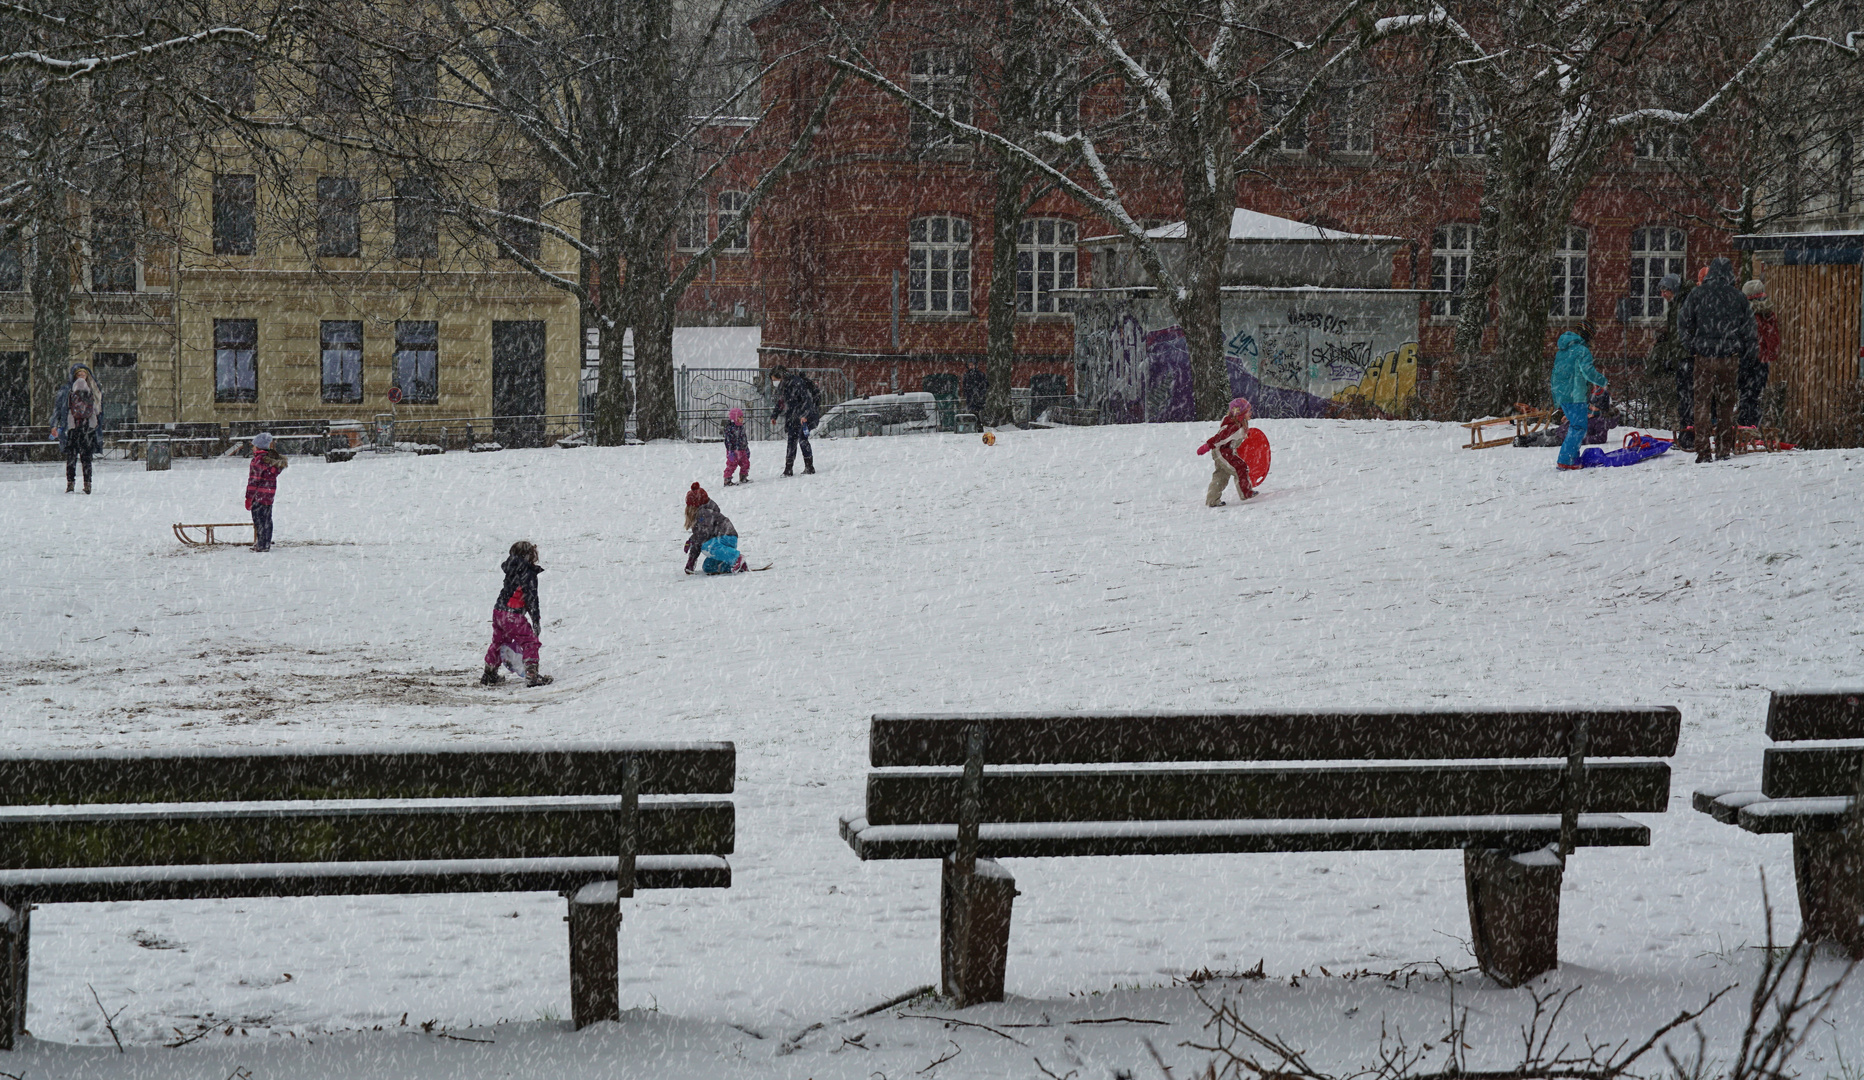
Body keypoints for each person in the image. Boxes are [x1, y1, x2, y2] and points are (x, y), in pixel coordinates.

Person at [1676, 257, 1757, 462]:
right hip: (1729, 357)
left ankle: (1703, 450)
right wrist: (1745, 353)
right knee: (1726, 405)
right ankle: (1722, 449)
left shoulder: (1697, 294)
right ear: (1730, 274)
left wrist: (1692, 345)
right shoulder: (1738, 297)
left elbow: (1683, 323)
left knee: (1701, 403)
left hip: (1703, 356)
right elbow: (1749, 330)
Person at [482, 540, 551, 686]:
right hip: (513, 615)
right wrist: (536, 620)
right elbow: (531, 598)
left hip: (498, 611)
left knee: (498, 642)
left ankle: (489, 674)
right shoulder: (528, 572)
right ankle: (532, 676)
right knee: (530, 642)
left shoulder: (511, 568)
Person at [1644, 272, 1693, 450]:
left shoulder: (1683, 303)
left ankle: (1688, 435)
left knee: (1686, 397)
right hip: (1680, 355)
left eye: (1665, 290)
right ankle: (1686, 434)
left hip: (1686, 356)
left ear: (1674, 289)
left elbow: (1684, 329)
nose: (1662, 295)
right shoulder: (1678, 303)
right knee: (1684, 397)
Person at [1551, 322, 1607, 471]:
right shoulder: (1581, 351)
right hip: (1575, 396)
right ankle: (1566, 460)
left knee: (1575, 427)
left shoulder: (1562, 351)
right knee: (1579, 428)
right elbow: (1588, 371)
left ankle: (1573, 457)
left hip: (1563, 395)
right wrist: (1602, 381)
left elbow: (1556, 375)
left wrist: (1558, 396)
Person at [50, 364, 104, 494]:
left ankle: (76, 483)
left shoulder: (69, 390)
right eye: (79, 375)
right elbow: (98, 411)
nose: (81, 377)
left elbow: (58, 409)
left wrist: (55, 424)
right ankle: (82, 483)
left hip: (74, 428)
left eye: (83, 375)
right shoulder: (92, 389)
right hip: (85, 428)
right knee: (81, 458)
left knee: (75, 457)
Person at [1196, 396, 1255, 505]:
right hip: (1222, 451)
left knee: (1221, 476)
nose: (1251, 412)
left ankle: (1212, 500)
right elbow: (1219, 439)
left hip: (1226, 450)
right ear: (1240, 414)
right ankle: (1246, 493)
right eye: (1248, 411)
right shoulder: (1233, 428)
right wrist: (1206, 446)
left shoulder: (1239, 424)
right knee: (1240, 467)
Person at [684, 482, 748, 574]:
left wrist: (692, 540)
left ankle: (737, 558)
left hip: (726, 537)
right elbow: (698, 538)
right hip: (720, 542)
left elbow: (703, 535)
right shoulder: (700, 515)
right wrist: (691, 561)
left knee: (706, 546)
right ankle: (734, 565)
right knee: (708, 566)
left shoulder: (704, 513)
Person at [1739, 280, 1777, 428]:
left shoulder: (1745, 314)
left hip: (1747, 358)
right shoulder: (1768, 312)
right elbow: (1773, 337)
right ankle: (1753, 425)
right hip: (1762, 360)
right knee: (1754, 396)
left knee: (1746, 395)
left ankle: (1746, 426)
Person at [770, 365, 820, 475]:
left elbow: (805, 399)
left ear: (781, 376)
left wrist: (804, 415)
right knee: (791, 441)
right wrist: (774, 415)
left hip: (804, 416)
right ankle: (788, 469)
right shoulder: (784, 386)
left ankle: (809, 466)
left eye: (775, 380)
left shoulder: (796, 383)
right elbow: (781, 402)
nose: (774, 382)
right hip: (793, 417)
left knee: (802, 439)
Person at [244, 432, 288, 551]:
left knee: (259, 520)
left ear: (257, 446)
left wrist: (249, 497)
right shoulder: (270, 461)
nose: (252, 447)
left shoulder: (257, 461)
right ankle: (266, 542)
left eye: (253, 445)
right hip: (268, 495)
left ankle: (262, 545)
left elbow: (253, 481)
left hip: (258, 496)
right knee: (267, 519)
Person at [722, 406, 751, 485]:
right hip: (733, 450)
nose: (742, 419)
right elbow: (728, 441)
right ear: (734, 418)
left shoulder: (741, 427)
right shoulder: (730, 428)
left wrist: (746, 448)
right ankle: (727, 479)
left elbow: (744, 438)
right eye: (740, 417)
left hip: (742, 450)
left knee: (745, 463)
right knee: (731, 465)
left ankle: (743, 476)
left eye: (742, 417)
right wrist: (730, 450)